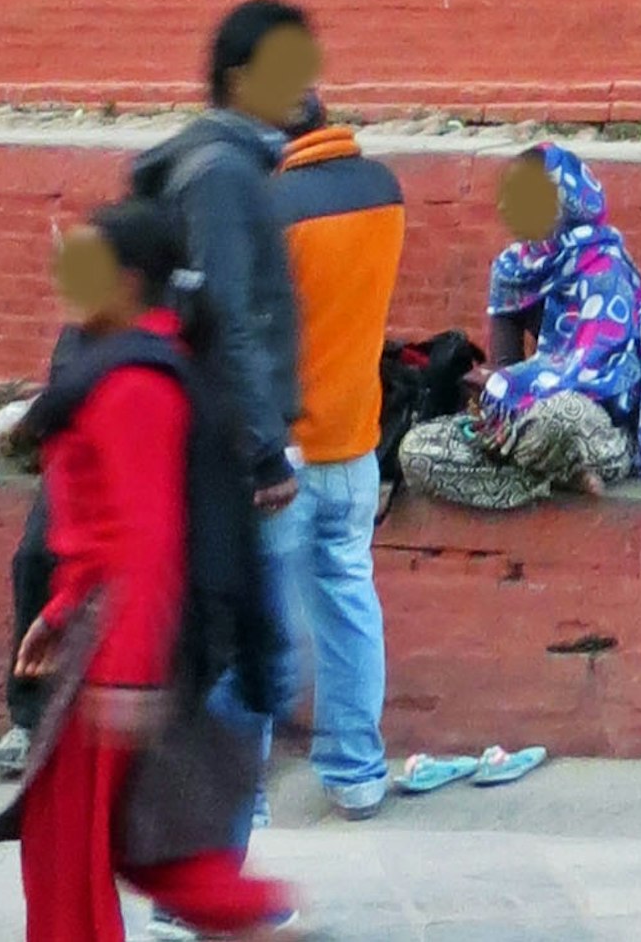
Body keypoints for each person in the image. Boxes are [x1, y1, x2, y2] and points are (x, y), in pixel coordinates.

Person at [0, 196, 294, 942]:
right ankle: (256, 918)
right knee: (117, 845)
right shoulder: (125, 363)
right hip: (102, 631)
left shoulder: (135, 383)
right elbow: (98, 531)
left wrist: (127, 677)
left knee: (88, 848)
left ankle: (260, 917)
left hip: (124, 645)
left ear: (128, 282)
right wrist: (57, 615)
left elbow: (148, 540)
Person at [134, 4, 315, 837]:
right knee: (239, 662)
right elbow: (229, 317)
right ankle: (202, 872)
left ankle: (210, 868)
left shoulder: (223, 164)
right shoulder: (221, 173)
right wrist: (265, 452)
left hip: (219, 445)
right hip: (234, 457)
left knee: (241, 658)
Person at [397, 141, 641, 509]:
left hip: (594, 420)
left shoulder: (605, 268)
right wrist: (493, 394)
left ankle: (550, 466)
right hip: (523, 423)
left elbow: (592, 372)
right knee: (417, 449)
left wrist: (513, 392)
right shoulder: (512, 270)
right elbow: (505, 367)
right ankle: (553, 476)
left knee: (559, 417)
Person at [271, 90, 408, 819]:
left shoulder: (275, 209)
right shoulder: (384, 191)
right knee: (350, 602)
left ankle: (244, 790)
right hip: (357, 442)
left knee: (262, 615)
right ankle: (357, 774)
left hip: (283, 453)